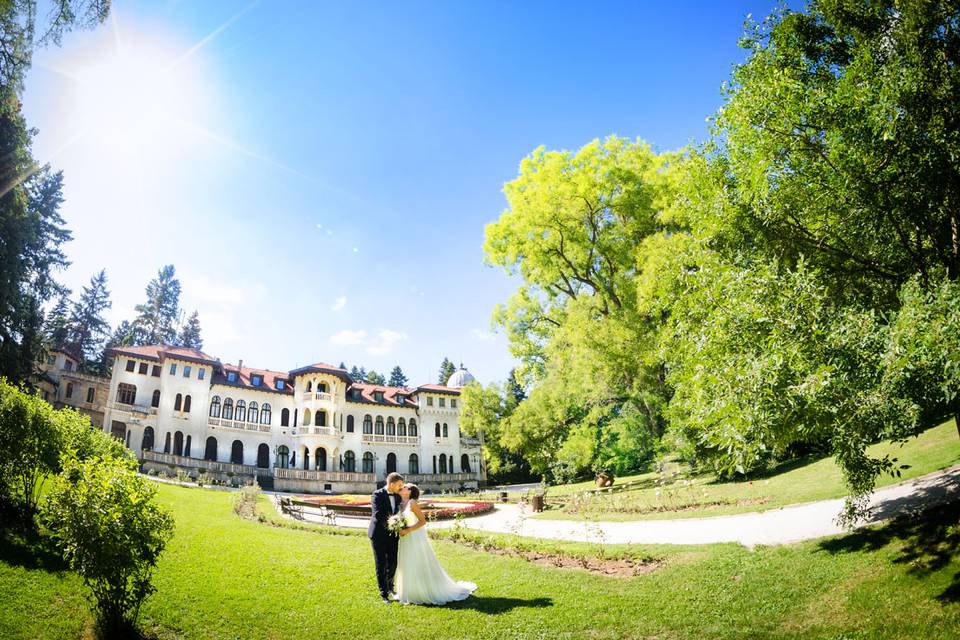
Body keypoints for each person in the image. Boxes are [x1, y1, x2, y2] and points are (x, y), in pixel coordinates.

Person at [395, 483, 477, 605]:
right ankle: (409, 590)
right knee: (407, 562)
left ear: (410, 491)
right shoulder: (400, 503)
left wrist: (408, 530)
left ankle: (424, 591)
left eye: (405, 487)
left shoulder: (412, 503)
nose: (402, 487)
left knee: (418, 561)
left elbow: (422, 521)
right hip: (405, 539)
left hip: (414, 537)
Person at [368, 472, 404, 602]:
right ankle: (383, 593)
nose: (401, 487)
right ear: (392, 484)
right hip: (378, 535)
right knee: (381, 563)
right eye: (399, 485)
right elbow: (378, 515)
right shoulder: (376, 495)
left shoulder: (398, 496)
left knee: (393, 562)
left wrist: (399, 524)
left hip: (393, 535)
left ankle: (390, 586)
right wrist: (393, 522)